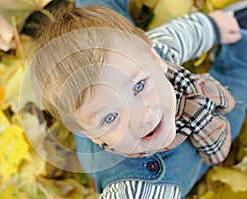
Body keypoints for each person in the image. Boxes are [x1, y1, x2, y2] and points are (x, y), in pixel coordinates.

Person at [27, 0, 247, 198]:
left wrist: (211, 27)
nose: (142, 117)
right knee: (235, 98)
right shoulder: (138, 191)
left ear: (154, 57)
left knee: (100, 21)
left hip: (95, 115)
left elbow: (178, 36)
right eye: (111, 117)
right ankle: (241, 49)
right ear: (90, 136)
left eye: (139, 87)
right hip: (174, 159)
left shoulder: (141, 56)